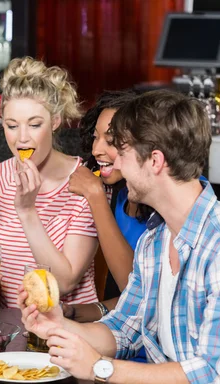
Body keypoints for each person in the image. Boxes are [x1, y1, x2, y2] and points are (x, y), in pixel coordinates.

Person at [19, 90, 220, 384]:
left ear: (155, 161)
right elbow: (124, 329)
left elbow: (213, 379)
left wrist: (99, 367)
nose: (116, 160)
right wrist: (57, 324)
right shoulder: (154, 240)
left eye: (122, 150)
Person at [0, 57, 99, 309]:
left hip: (67, 331)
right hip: (10, 330)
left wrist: (27, 211)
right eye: (12, 125)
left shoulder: (84, 184)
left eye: (35, 124)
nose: (22, 138)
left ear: (55, 121)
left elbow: (64, 283)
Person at [65, 91, 152, 323]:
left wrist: (96, 197)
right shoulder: (121, 193)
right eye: (95, 137)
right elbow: (128, 299)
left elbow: (136, 290)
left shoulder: (161, 208)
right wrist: (79, 311)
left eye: (111, 142)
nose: (96, 150)